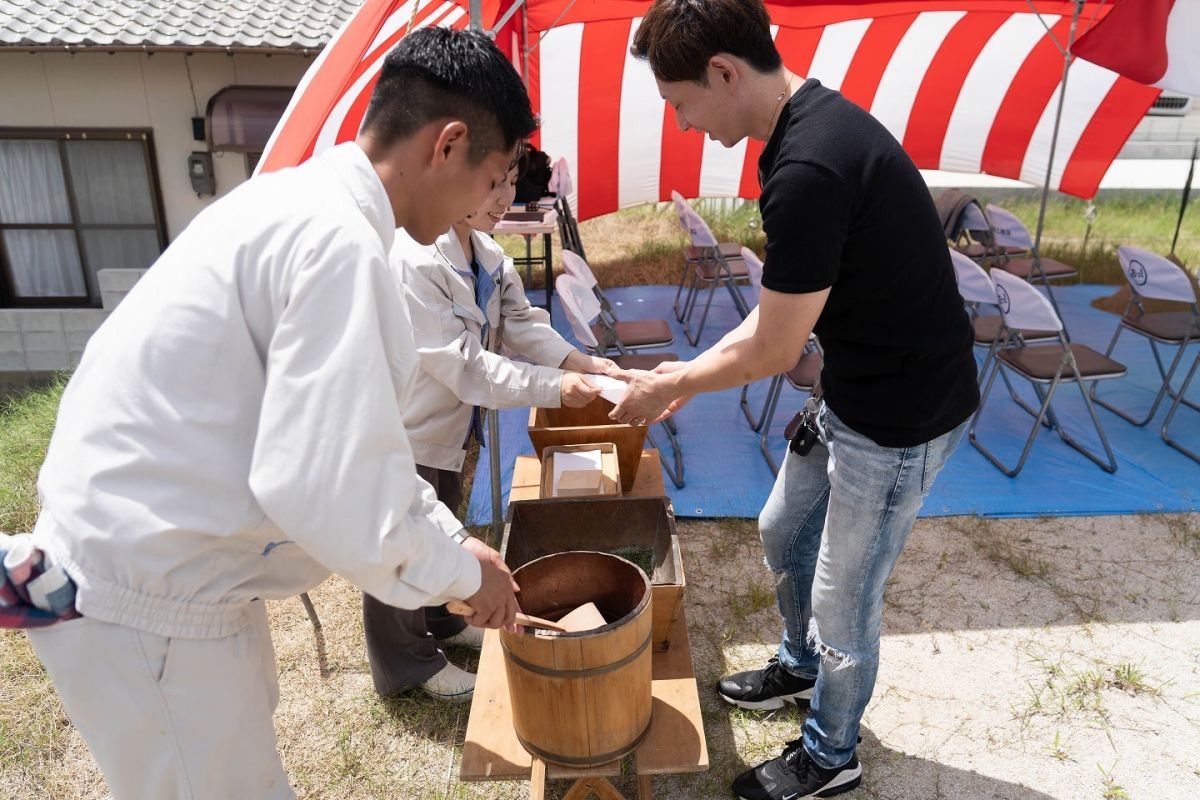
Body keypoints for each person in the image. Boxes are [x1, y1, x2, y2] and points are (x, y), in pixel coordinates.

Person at [22, 28, 535, 799]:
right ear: (449, 144)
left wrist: (456, 540)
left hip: (162, 570)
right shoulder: (341, 245)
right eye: (491, 179)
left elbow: (357, 446)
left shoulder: (300, 204)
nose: (486, 205)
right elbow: (331, 485)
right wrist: (460, 573)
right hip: (143, 589)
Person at [616, 1, 980, 798]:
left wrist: (673, 382)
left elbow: (777, 350)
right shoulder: (800, 134)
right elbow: (786, 306)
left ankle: (831, 752)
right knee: (783, 530)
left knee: (844, 593)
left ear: (723, 72)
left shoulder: (811, 163)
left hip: (902, 414)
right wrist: (688, 367)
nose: (680, 125)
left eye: (679, 103)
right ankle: (800, 664)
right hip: (856, 387)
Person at [364, 150, 614, 701]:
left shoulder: (488, 252)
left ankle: (444, 620)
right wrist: (554, 387)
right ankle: (408, 664)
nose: (505, 199)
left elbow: (522, 325)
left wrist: (577, 362)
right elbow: (467, 367)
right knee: (401, 539)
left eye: (510, 185)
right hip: (410, 420)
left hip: (450, 423)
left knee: (443, 516)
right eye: (493, 184)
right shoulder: (417, 260)